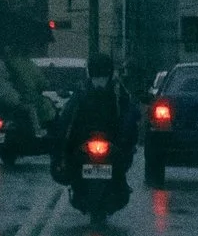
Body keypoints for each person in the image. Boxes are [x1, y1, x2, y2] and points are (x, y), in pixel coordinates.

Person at [51, 53, 137, 184]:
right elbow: (66, 122)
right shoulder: (86, 91)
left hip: (111, 141)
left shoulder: (117, 92)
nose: (100, 79)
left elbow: (130, 119)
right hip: (88, 142)